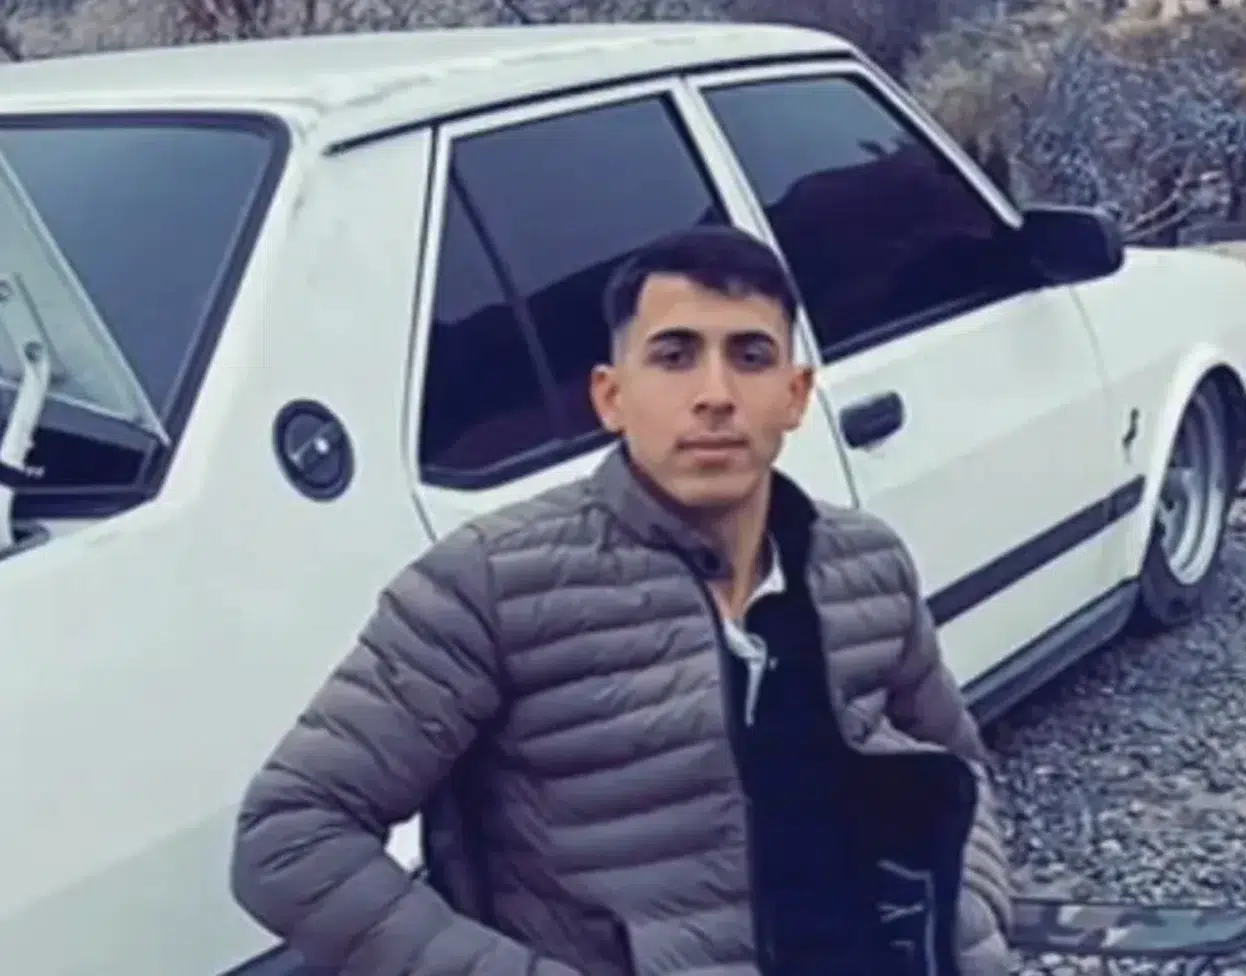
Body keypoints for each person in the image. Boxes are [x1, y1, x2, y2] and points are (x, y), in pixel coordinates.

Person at [230, 224, 1013, 976]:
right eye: (675, 356)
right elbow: (291, 837)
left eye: (750, 356)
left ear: (795, 394)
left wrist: (968, 932)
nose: (715, 394)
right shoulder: (494, 582)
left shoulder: (864, 561)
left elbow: (956, 761)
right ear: (610, 396)